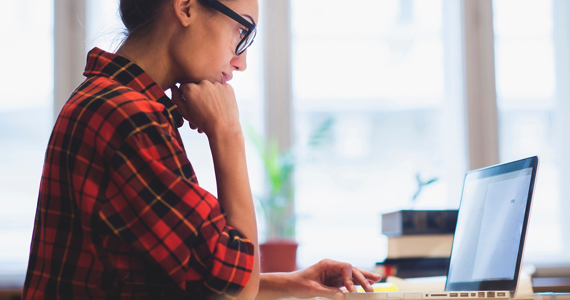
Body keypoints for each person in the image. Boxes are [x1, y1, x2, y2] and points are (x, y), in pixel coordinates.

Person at [22, 0, 381, 299]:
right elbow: (233, 292)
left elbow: (181, 279)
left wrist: (292, 284)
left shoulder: (110, 100)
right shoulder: (128, 118)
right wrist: (227, 134)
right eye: (242, 32)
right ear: (186, 7)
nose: (241, 62)